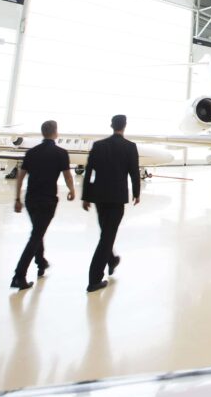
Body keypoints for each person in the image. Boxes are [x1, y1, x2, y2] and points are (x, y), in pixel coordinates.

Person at [11, 120, 75, 289]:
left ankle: (41, 261)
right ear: (55, 133)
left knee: (37, 231)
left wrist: (17, 199)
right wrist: (72, 190)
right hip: (47, 201)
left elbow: (21, 177)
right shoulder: (61, 153)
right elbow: (68, 176)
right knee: (36, 236)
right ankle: (19, 275)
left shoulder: (32, 152)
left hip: (31, 200)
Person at [82, 114, 140, 292]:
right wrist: (137, 193)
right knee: (107, 238)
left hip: (100, 198)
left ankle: (112, 260)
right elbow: (134, 172)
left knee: (106, 234)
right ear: (125, 126)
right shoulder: (130, 147)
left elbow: (89, 172)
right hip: (117, 198)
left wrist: (86, 196)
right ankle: (94, 280)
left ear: (111, 125)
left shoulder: (98, 146)